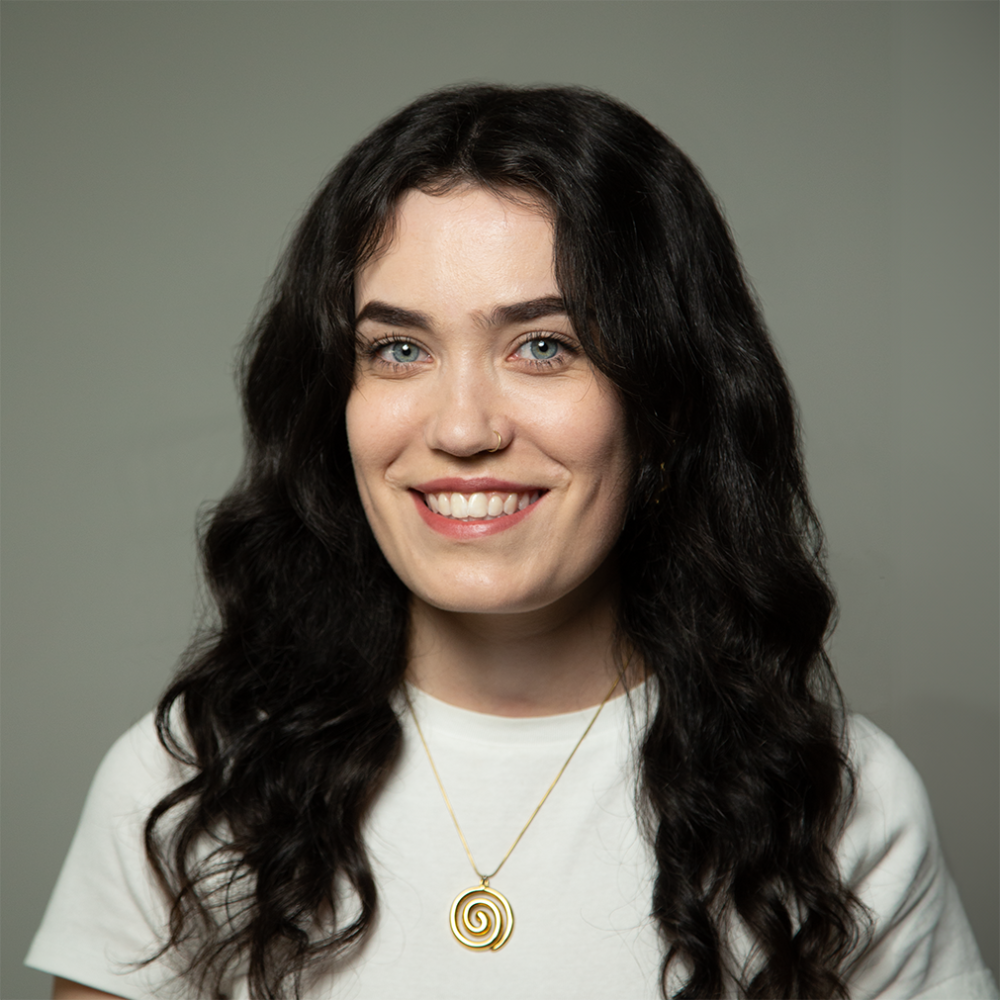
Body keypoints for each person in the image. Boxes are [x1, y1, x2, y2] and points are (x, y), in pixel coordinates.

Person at [27, 85, 995, 1000]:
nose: (460, 427)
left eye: (545, 345)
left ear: (664, 405)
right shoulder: (190, 782)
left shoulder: (839, 800)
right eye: (397, 348)